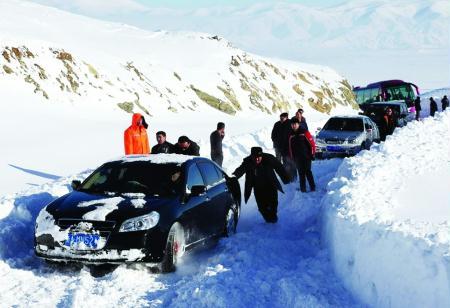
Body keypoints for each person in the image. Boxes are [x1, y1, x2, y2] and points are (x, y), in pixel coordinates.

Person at [233, 147, 290, 223]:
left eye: (259, 157)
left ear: (262, 155)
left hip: (271, 186)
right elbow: (239, 171)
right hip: (258, 188)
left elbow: (279, 167)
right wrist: (230, 178)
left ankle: (273, 221)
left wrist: (286, 178)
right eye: (255, 157)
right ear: (251, 156)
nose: (257, 159)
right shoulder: (247, 162)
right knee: (262, 208)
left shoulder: (269, 158)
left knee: (273, 205)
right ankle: (269, 220)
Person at [288, 118, 316, 192]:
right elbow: (290, 147)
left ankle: (312, 187)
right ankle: (303, 189)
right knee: (301, 173)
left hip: (307, 156)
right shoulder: (291, 134)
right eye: (292, 124)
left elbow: (312, 144)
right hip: (297, 158)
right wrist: (292, 157)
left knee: (308, 172)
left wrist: (312, 154)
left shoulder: (304, 132)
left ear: (298, 124)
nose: (293, 126)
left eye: (295, 124)